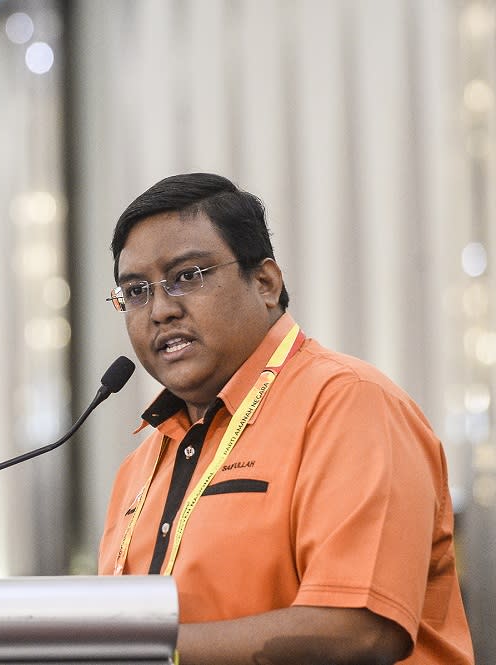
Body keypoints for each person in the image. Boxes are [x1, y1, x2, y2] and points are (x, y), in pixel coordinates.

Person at [98, 173, 474, 664]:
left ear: (266, 282)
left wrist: (145, 654)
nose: (161, 310)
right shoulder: (141, 466)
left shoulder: (348, 405)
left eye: (187, 276)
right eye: (137, 291)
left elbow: (359, 629)